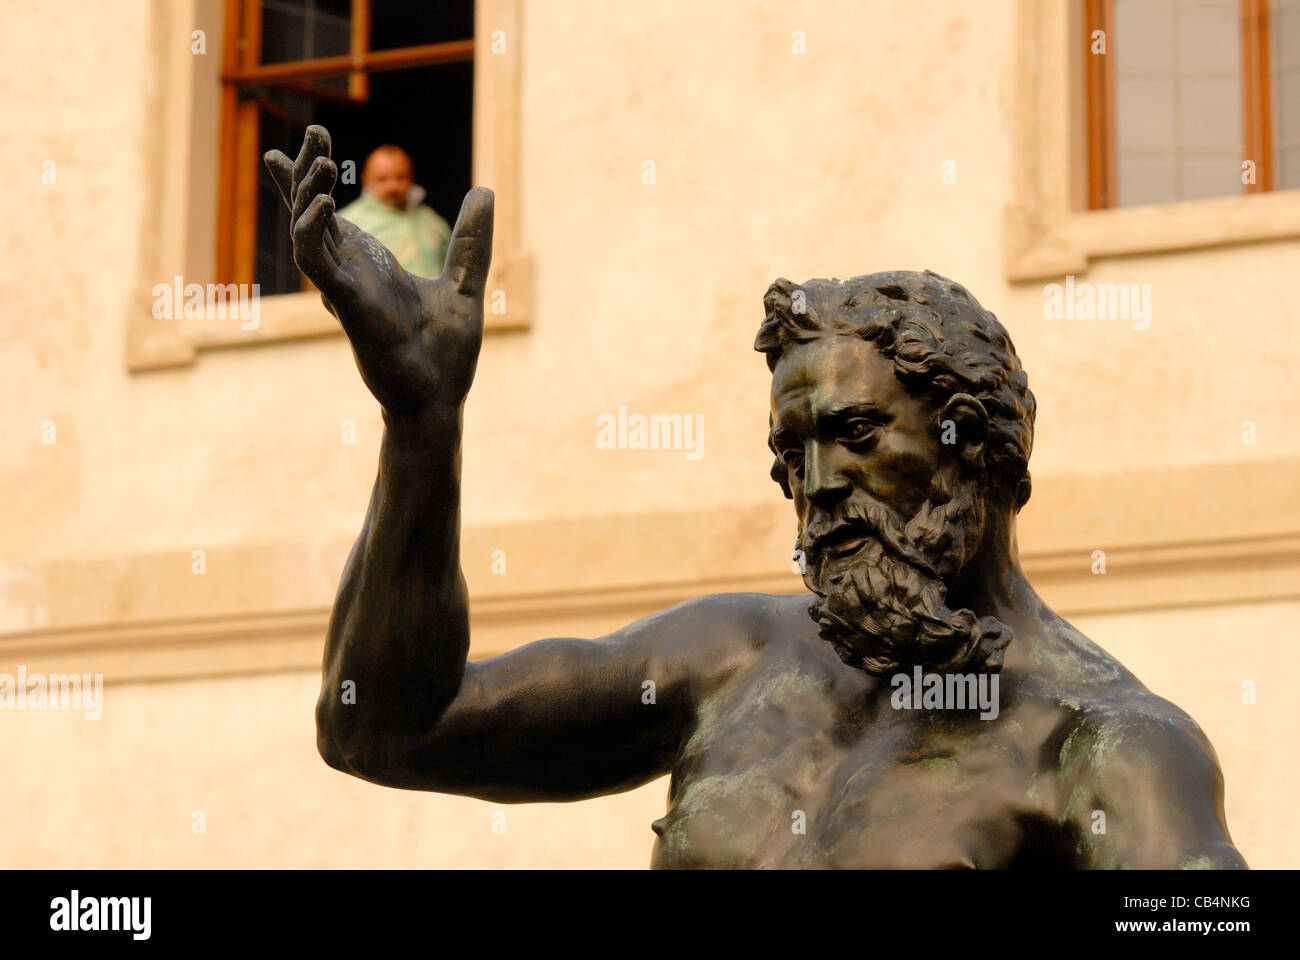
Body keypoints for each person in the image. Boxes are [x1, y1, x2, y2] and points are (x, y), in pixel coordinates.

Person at [265, 126, 1247, 869]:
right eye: (793, 449)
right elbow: (381, 728)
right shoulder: (729, 661)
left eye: (857, 436)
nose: (816, 486)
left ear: (975, 451)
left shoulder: (1107, 745)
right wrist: (422, 427)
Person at [335, 144, 450, 279]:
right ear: (365, 179)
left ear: (411, 176)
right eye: (382, 179)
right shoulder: (346, 223)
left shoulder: (433, 222)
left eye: (400, 177)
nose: (392, 186)